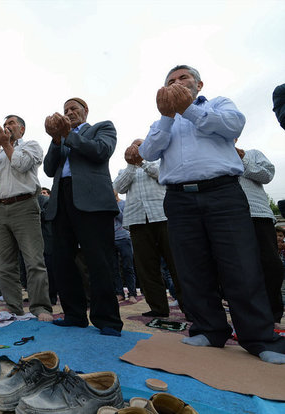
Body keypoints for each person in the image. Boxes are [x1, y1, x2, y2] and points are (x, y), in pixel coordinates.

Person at [136, 64, 285, 363]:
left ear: (199, 85)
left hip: (222, 193)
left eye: (183, 78)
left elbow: (233, 127)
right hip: (178, 198)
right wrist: (167, 115)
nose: (177, 83)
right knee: (192, 266)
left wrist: (188, 109)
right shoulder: (162, 122)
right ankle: (208, 329)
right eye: (171, 81)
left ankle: (258, 337)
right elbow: (148, 152)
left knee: (241, 265)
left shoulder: (218, 105)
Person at [43, 97, 123, 336]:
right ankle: (74, 315)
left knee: (98, 260)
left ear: (86, 111)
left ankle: (107, 319)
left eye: (73, 109)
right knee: (62, 260)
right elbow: (48, 168)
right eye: (65, 110)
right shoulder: (60, 137)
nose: (69, 113)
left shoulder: (102, 128)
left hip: (92, 200)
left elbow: (101, 151)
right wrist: (57, 139)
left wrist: (69, 135)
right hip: (61, 201)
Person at [0, 115, 53, 321]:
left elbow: (21, 165)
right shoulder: (0, 150)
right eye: (5, 124)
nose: (7, 127)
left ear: (22, 129)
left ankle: (40, 307)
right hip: (2, 209)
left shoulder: (31, 146)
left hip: (25, 206)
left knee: (33, 260)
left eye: (11, 123)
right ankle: (13, 307)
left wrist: (6, 144)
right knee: (3, 264)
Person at [113, 140, 183, 317]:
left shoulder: (160, 162)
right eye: (133, 146)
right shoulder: (125, 170)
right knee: (146, 267)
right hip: (137, 221)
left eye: (140, 145)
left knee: (176, 263)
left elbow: (162, 176)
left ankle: (190, 307)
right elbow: (118, 187)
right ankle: (158, 308)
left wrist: (142, 162)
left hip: (163, 216)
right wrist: (131, 165)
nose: (136, 148)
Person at [235, 144, 284, 323]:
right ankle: (247, 315)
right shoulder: (212, 157)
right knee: (239, 268)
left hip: (259, 214)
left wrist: (243, 160)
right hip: (228, 218)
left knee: (271, 265)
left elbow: (267, 175)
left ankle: (273, 313)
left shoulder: (252, 154)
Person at [112, 192, 138, 304]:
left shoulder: (124, 204)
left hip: (124, 238)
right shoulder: (104, 205)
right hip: (110, 239)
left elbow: (126, 219)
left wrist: (114, 208)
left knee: (128, 266)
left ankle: (132, 293)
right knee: (114, 268)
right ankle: (119, 293)